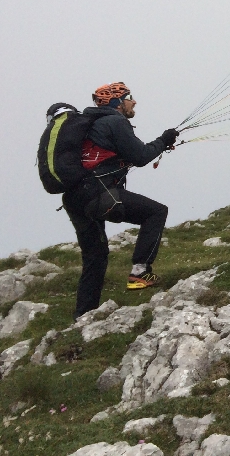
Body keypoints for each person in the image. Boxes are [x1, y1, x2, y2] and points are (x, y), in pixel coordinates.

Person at [62, 82, 179, 317]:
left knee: (95, 256)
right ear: (116, 102)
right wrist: (163, 141)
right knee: (156, 212)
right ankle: (139, 272)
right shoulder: (115, 122)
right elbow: (141, 156)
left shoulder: (90, 124)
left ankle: (83, 317)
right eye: (129, 97)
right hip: (98, 192)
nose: (133, 101)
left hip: (75, 198)